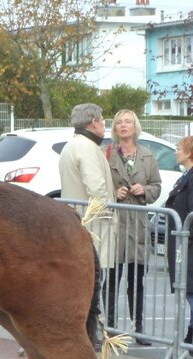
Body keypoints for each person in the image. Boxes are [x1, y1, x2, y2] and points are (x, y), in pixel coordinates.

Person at [58, 103, 117, 342]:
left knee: (84, 285)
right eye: (102, 121)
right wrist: (106, 214)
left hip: (79, 223)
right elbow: (96, 187)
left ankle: (84, 336)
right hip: (92, 227)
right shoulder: (87, 147)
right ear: (93, 122)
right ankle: (88, 338)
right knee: (91, 286)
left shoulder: (72, 146)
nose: (104, 125)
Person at [106, 109, 162, 345]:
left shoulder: (147, 155)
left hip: (137, 226)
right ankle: (109, 328)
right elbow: (98, 185)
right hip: (115, 224)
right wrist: (113, 193)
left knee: (136, 280)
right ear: (115, 128)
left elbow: (157, 186)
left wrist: (145, 191)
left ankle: (138, 328)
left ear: (135, 127)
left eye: (128, 122)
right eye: (119, 122)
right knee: (110, 280)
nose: (124, 125)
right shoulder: (106, 154)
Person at [165, 135, 193, 345]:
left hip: (189, 245)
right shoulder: (186, 176)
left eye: (178, 148)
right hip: (184, 244)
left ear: (189, 152)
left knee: (191, 291)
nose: (176, 151)